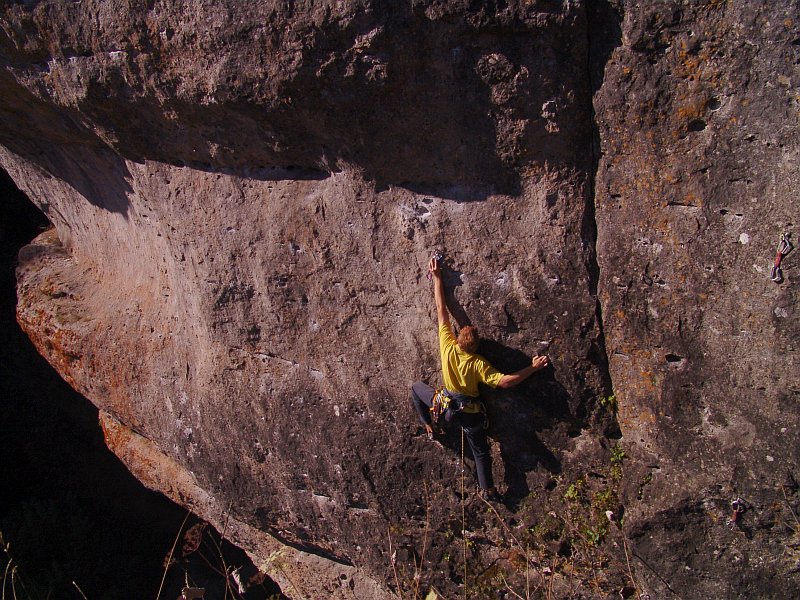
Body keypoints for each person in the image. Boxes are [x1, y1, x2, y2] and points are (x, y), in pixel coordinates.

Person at [411, 255, 549, 501]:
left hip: (443, 405)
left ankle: (429, 425)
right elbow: (505, 381)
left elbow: (441, 308)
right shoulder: (478, 363)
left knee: (415, 389)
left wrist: (437, 278)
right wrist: (532, 368)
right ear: (475, 346)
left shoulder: (447, 344)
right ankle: (489, 490)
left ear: (459, 338)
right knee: (480, 453)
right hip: (469, 413)